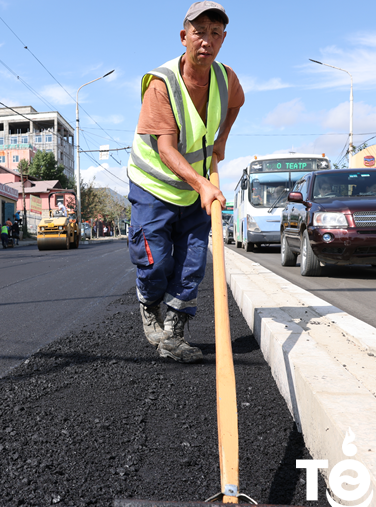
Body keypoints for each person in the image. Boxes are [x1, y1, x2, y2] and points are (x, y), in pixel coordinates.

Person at [126, 1, 244, 363]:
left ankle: (173, 334)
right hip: (154, 185)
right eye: (199, 32)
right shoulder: (161, 85)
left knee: (193, 260)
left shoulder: (226, 78)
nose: (206, 40)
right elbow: (166, 149)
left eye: (215, 33)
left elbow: (237, 103)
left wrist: (222, 139)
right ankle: (149, 304)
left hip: (193, 190)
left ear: (223, 39)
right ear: (184, 37)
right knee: (156, 261)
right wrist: (203, 185)